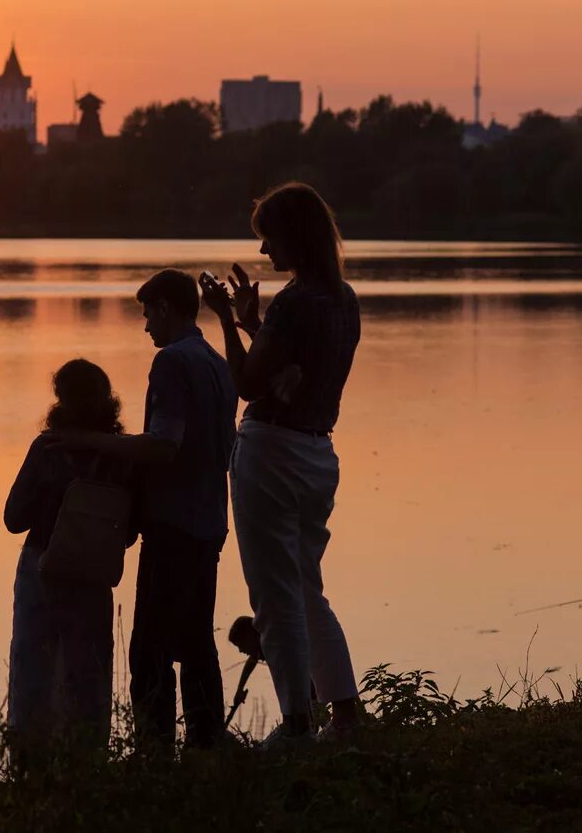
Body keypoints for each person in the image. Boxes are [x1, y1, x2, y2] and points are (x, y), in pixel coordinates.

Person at [199, 181, 362, 743]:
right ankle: (345, 713)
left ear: (293, 236)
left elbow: (249, 383)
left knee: (273, 595)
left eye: (269, 240)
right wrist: (254, 323)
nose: (265, 253)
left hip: (271, 453)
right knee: (305, 588)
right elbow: (297, 368)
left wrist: (223, 317)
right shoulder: (343, 299)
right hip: (319, 452)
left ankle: (295, 724)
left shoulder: (295, 301)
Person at [47, 269, 237, 749]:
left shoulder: (172, 362)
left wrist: (92, 441)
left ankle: (153, 755)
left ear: (167, 308)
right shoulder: (217, 362)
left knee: (149, 649)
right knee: (196, 643)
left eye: (148, 313)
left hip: (174, 524)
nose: (146, 325)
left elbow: (163, 446)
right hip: (211, 522)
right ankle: (206, 744)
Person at [3, 359, 126, 751]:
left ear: (61, 400)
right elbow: (128, 532)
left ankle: (30, 766)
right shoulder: (120, 454)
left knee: (34, 674)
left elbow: (13, 518)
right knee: (87, 675)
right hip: (93, 575)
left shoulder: (47, 448)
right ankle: (88, 760)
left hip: (42, 570)